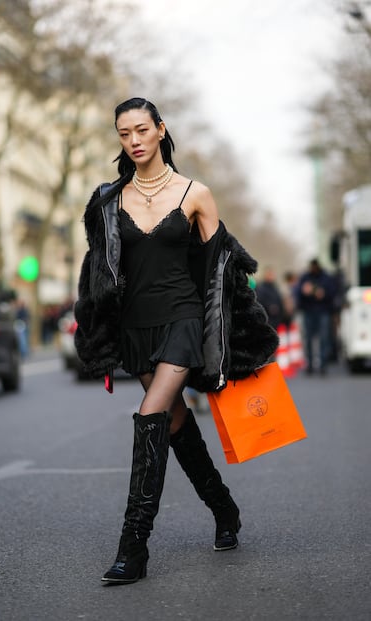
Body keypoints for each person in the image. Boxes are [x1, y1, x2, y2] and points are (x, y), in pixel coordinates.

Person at [74, 97, 278, 585]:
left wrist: (239, 337)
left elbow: (222, 273)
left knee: (150, 415)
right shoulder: (107, 200)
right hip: (135, 328)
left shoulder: (195, 194)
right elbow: (96, 274)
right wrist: (97, 330)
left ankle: (133, 547)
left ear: (161, 130)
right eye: (124, 134)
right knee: (174, 421)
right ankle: (225, 508)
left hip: (184, 318)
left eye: (142, 130)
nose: (134, 140)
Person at [295, 258, 335, 375]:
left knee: (323, 339)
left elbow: (332, 293)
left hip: (323, 311)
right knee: (308, 339)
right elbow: (298, 294)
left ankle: (323, 365)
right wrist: (304, 292)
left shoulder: (326, 278)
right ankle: (310, 364)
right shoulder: (305, 278)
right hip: (309, 311)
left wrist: (323, 294)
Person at [255, 266, 286, 330]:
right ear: (265, 275)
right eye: (269, 274)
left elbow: (279, 301)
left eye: (273, 274)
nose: (272, 276)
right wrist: (269, 307)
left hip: (277, 320)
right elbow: (258, 303)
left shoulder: (275, 288)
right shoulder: (260, 288)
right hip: (266, 321)